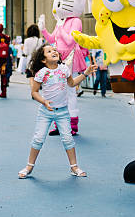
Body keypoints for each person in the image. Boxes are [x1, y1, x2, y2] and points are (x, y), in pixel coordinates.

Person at [17, 44, 97, 179]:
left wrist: (85, 73)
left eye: (54, 50)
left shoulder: (64, 69)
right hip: (45, 112)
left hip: (63, 112)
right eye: (49, 51)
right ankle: (29, 166)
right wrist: (44, 101)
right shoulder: (41, 73)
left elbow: (71, 84)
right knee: (38, 139)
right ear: (43, 60)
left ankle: (74, 167)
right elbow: (34, 92)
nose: (54, 51)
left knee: (68, 139)